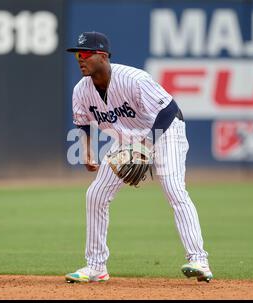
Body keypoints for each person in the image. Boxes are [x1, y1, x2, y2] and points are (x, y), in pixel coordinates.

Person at [65, 31, 213, 283]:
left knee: (174, 189)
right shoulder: (81, 90)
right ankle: (96, 266)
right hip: (128, 139)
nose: (80, 58)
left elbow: (169, 110)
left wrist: (146, 145)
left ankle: (199, 259)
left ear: (102, 56)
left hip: (166, 132)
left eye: (86, 53)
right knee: (96, 194)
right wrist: (88, 151)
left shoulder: (133, 79)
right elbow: (83, 124)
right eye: (78, 54)